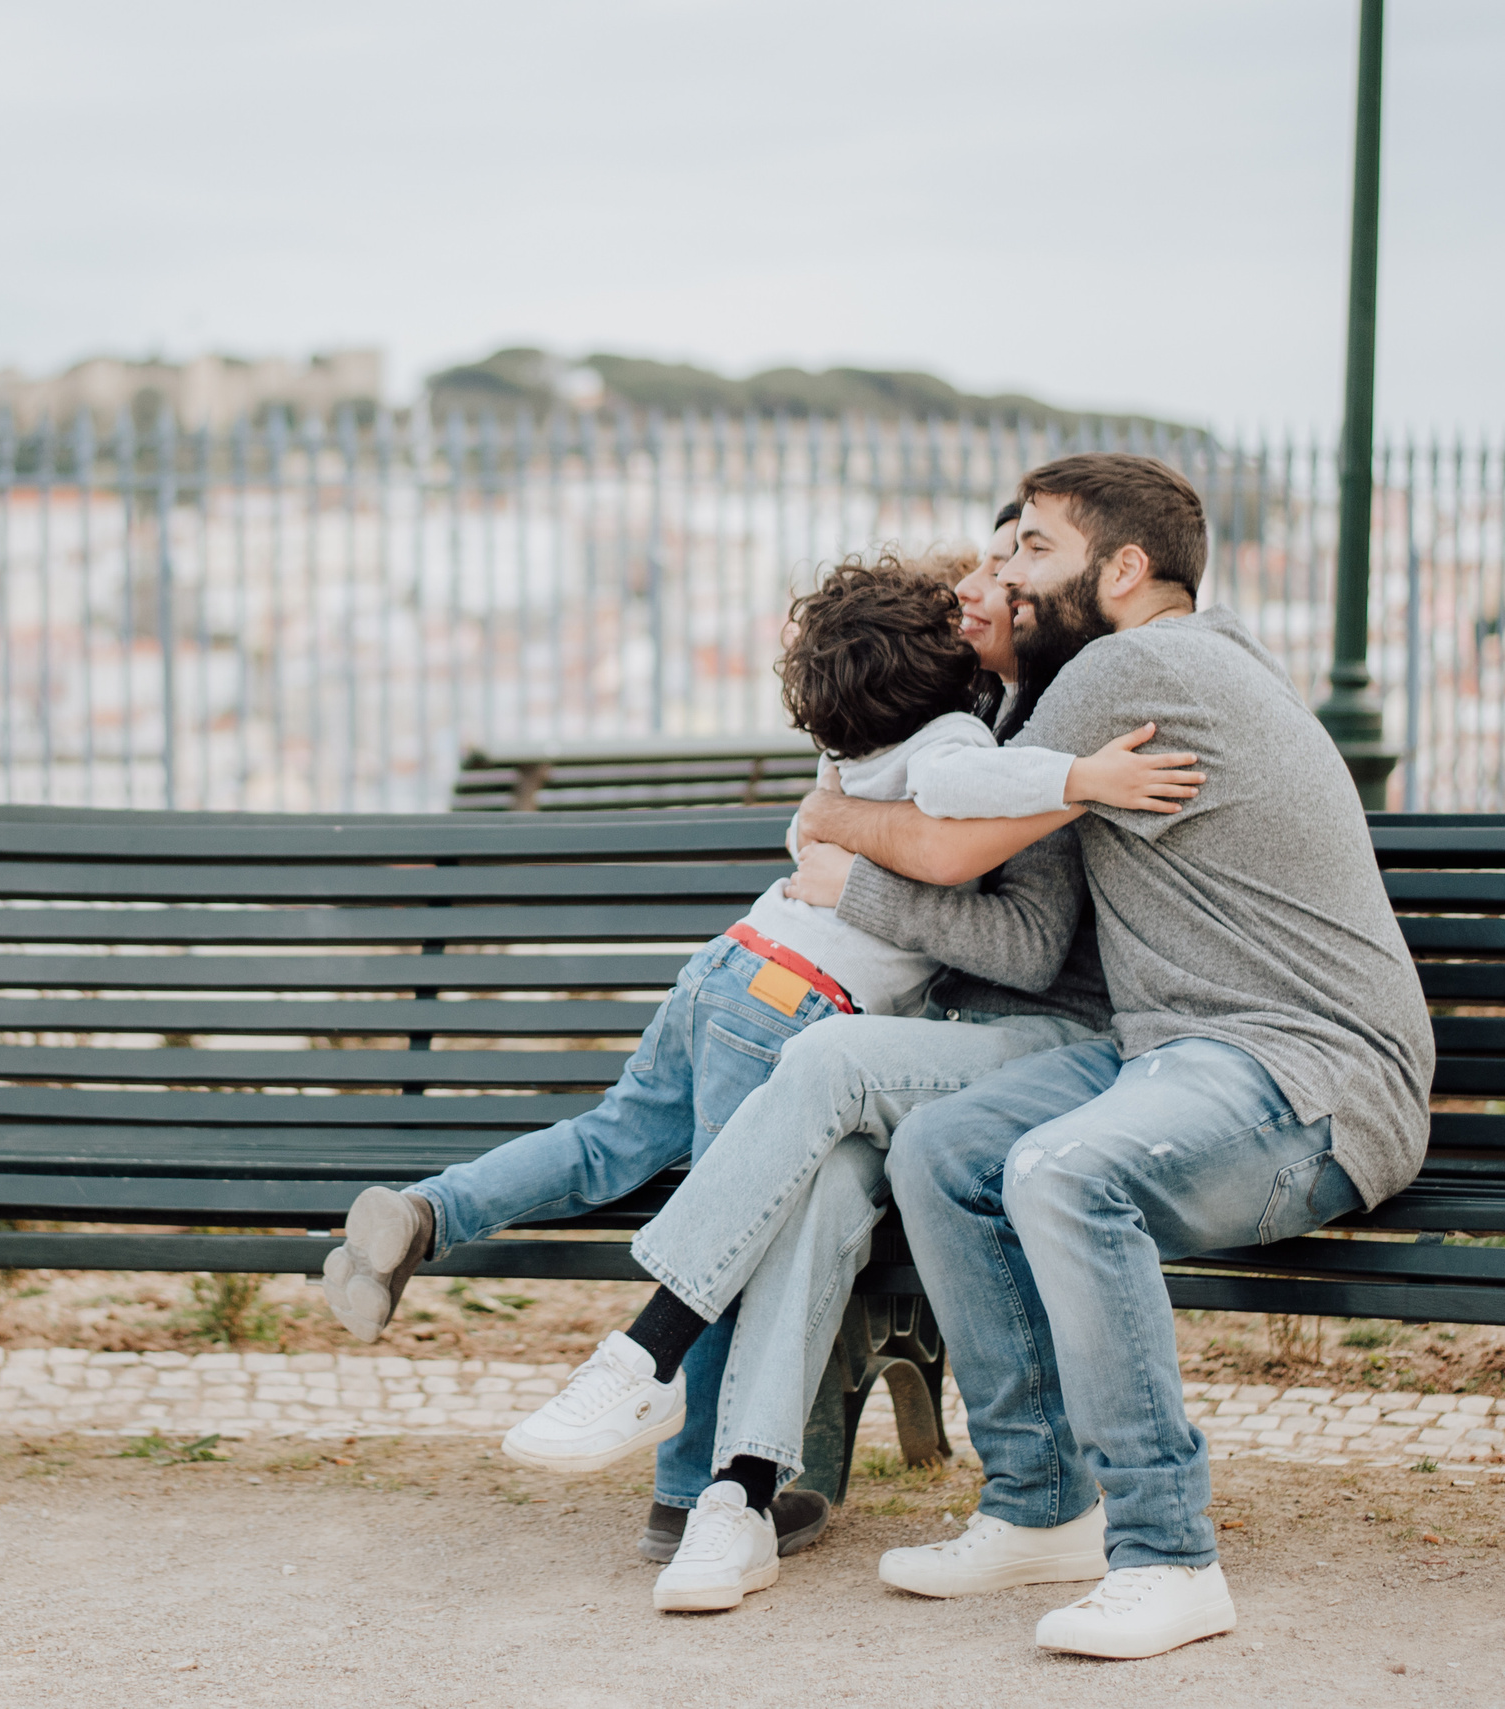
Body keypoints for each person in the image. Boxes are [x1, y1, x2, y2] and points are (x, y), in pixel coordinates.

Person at [319, 545, 1194, 1571]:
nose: (987, 596)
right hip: (792, 1006)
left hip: (728, 965)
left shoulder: (846, 751)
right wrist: (1084, 778)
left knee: (608, 1136)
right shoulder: (956, 737)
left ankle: (429, 1209)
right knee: (737, 1231)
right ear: (946, 659)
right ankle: (688, 1495)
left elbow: (883, 849)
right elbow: (968, 801)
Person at [807, 453, 1435, 1662]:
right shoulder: (1183, 656)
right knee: (945, 1149)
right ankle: (1040, 1505)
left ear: (1126, 569)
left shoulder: (1129, 664)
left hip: (1307, 1077)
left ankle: (1165, 1553)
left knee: (1061, 1171)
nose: (1004, 574)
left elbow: (947, 845)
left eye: (1031, 549)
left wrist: (832, 823)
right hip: (1173, 1051)